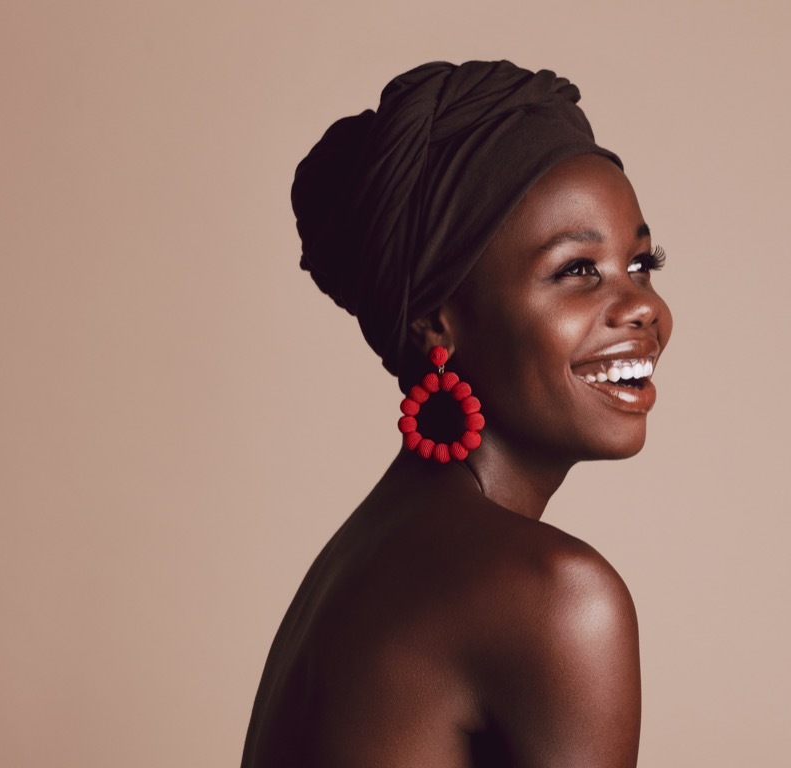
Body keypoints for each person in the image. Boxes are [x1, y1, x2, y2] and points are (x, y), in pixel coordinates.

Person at [242, 60, 673, 768]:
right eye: (576, 270)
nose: (644, 309)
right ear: (435, 322)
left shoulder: (361, 561)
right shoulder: (556, 597)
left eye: (642, 262)